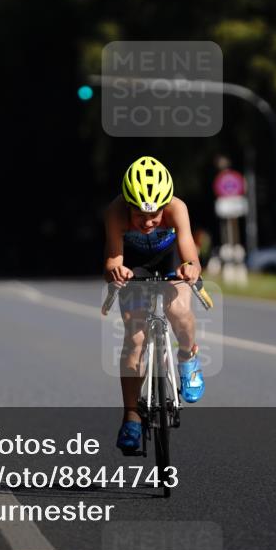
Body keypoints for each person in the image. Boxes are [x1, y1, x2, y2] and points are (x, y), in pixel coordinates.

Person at [103, 156, 207, 455]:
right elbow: (113, 258)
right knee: (134, 340)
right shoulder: (115, 212)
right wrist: (116, 271)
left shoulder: (178, 208)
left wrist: (191, 267)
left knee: (177, 311)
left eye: (155, 215)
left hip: (169, 262)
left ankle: (187, 357)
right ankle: (131, 416)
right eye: (140, 216)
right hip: (133, 267)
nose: (148, 223)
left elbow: (189, 252)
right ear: (128, 205)